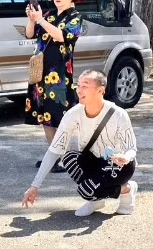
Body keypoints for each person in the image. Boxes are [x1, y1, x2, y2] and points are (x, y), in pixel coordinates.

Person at [22, 70, 138, 217]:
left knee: (86, 190)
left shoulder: (119, 114)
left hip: (119, 165)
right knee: (69, 157)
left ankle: (126, 189)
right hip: (94, 161)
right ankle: (96, 198)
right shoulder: (73, 114)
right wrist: (35, 185)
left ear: (100, 90)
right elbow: (54, 150)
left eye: (85, 86)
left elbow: (131, 148)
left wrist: (126, 157)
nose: (79, 90)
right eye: (79, 86)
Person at [24, 0, 83, 173]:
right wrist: (32, 19)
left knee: (59, 119)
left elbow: (61, 36)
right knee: (46, 118)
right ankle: (53, 156)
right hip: (41, 75)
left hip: (59, 77)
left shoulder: (75, 18)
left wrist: (40, 19)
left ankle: (64, 158)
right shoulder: (48, 15)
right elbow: (30, 34)